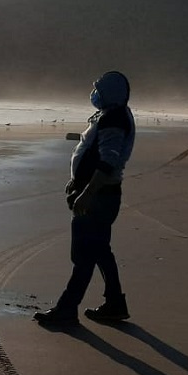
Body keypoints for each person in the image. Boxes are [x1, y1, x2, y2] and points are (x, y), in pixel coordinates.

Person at [35, 71, 136, 326]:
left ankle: (67, 309)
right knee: (100, 251)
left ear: (109, 92)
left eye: (98, 89)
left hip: (98, 197)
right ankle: (115, 304)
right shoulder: (110, 115)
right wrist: (76, 179)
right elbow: (93, 153)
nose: (94, 94)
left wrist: (86, 194)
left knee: (84, 255)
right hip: (102, 194)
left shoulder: (114, 118)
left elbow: (108, 161)